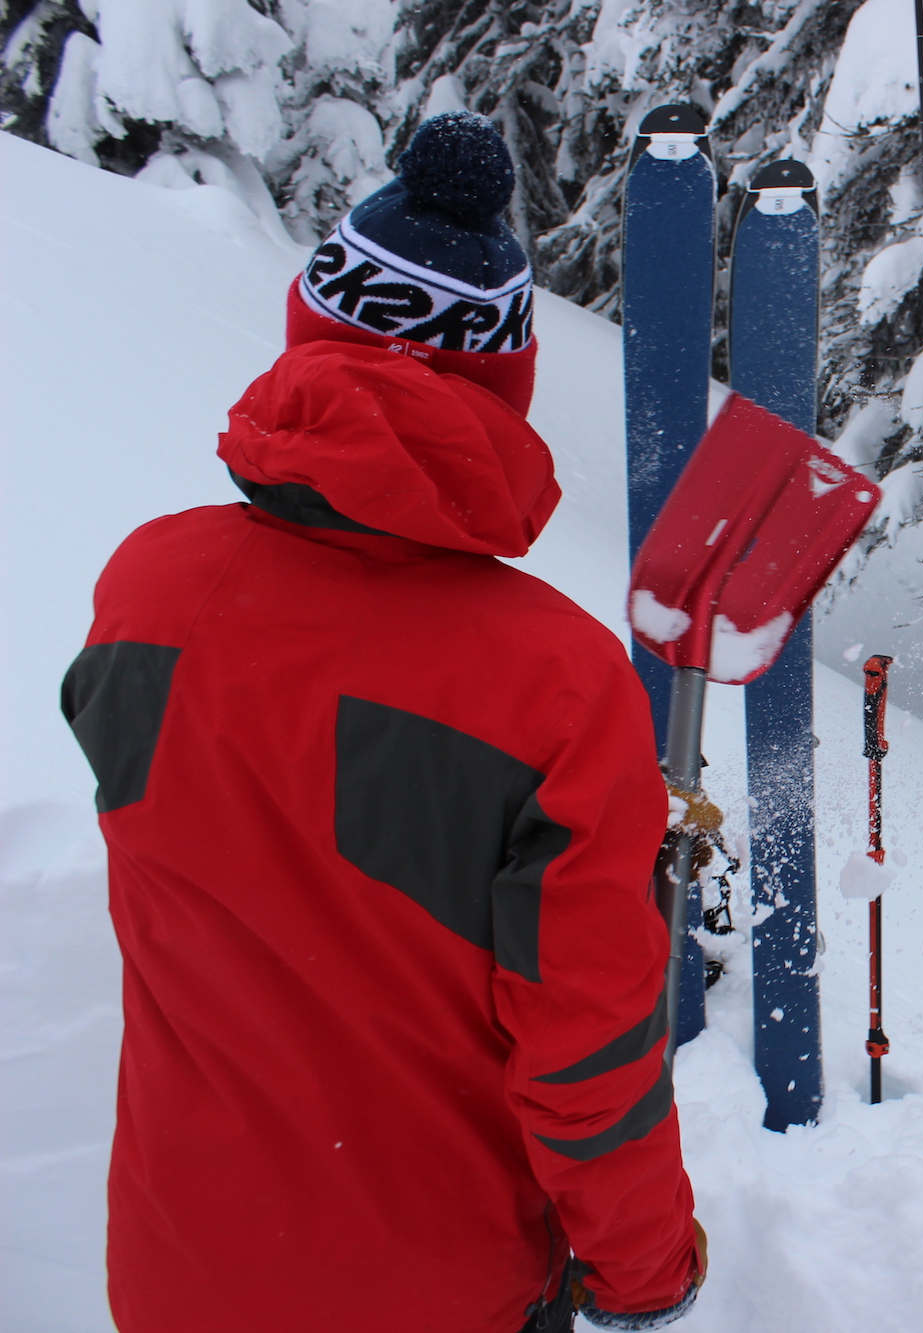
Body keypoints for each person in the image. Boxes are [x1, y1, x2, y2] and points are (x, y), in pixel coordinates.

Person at [60, 112, 705, 1333]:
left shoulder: (143, 590)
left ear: (313, 327)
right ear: (501, 380)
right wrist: (645, 1272)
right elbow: (585, 1062)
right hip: (435, 1293)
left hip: (177, 1272)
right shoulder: (558, 685)